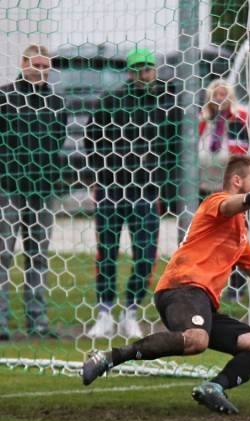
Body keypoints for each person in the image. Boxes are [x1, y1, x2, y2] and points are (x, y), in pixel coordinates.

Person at [81, 155, 250, 414]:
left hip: (203, 301)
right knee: (197, 340)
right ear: (236, 181)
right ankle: (108, 357)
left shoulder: (240, 232)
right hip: (182, 289)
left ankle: (214, 387)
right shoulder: (216, 202)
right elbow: (230, 206)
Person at [84, 47, 181, 339]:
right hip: (112, 190)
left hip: (147, 192)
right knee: (107, 254)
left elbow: (173, 151)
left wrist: (167, 189)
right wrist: (96, 179)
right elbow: (92, 141)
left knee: (145, 255)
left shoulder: (167, 104)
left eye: (147, 68)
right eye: (137, 68)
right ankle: (104, 312)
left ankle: (131, 311)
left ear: (155, 70)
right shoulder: (110, 102)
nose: (143, 73)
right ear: (129, 71)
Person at [0, 44, 66, 340]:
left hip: (42, 192)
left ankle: (37, 322)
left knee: (37, 257)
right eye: (36, 65)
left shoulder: (56, 103)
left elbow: (58, 143)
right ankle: (0, 322)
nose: (41, 71)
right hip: (8, 189)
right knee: (3, 255)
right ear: (23, 63)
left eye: (46, 66)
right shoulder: (4, 98)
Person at [198, 79, 250, 301]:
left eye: (223, 94)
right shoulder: (201, 122)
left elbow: (245, 152)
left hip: (233, 190)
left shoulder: (240, 120)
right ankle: (209, 284)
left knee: (236, 237)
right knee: (209, 239)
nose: (220, 98)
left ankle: (237, 286)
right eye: (216, 94)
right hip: (205, 188)